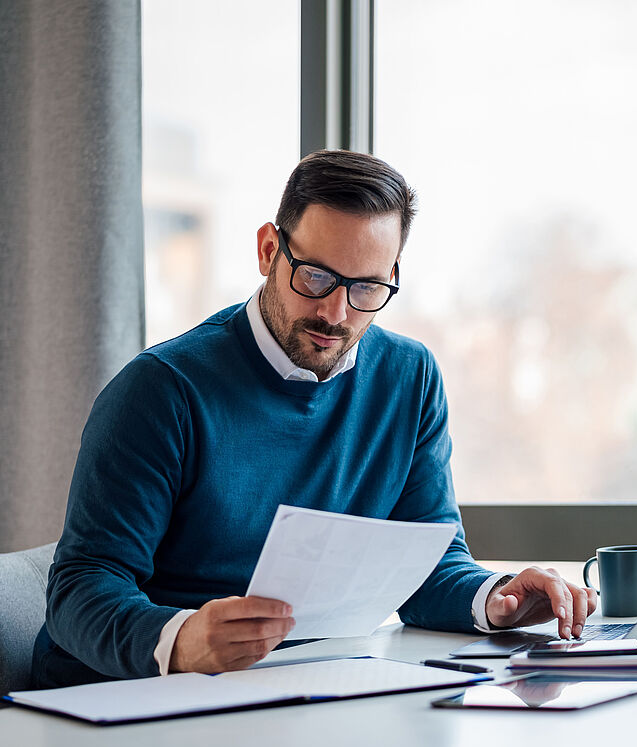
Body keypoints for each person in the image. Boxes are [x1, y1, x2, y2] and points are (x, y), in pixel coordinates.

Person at [33, 150, 596, 687]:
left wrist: (499, 599)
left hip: (294, 691)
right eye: (317, 277)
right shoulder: (161, 391)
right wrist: (181, 639)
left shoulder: (410, 378)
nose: (336, 312)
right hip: (119, 700)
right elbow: (81, 591)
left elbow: (429, 564)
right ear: (267, 250)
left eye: (367, 287)